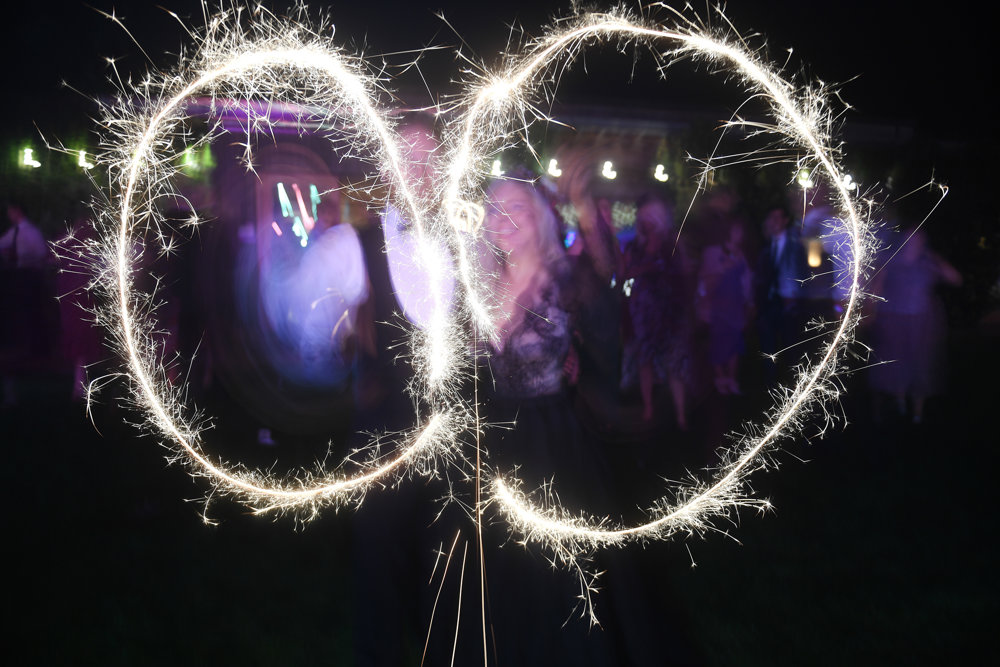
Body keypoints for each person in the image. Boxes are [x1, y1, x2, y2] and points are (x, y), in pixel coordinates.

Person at [868, 227, 961, 423]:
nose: (915, 244)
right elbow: (875, 289)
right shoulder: (891, 261)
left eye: (919, 240)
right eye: (910, 240)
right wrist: (871, 311)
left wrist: (935, 258)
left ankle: (917, 413)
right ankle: (900, 403)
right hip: (895, 321)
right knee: (898, 365)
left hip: (921, 323)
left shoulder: (927, 262)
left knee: (921, 365)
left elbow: (955, 279)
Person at [622, 193, 692, 428]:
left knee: (674, 362)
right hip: (643, 311)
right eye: (643, 219)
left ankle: (681, 414)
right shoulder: (635, 246)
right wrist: (649, 259)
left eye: (651, 218)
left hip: (669, 310)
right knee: (645, 360)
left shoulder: (672, 243)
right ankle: (649, 406)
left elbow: (684, 271)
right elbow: (625, 274)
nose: (646, 222)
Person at [699, 220, 753, 394]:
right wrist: (722, 268)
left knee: (735, 341)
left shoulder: (741, 254)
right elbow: (706, 280)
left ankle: (731, 378)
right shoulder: (714, 252)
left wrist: (749, 301)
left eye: (741, 230)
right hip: (719, 304)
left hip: (736, 304)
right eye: (736, 229)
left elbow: (746, 280)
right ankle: (720, 378)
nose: (740, 234)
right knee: (719, 342)